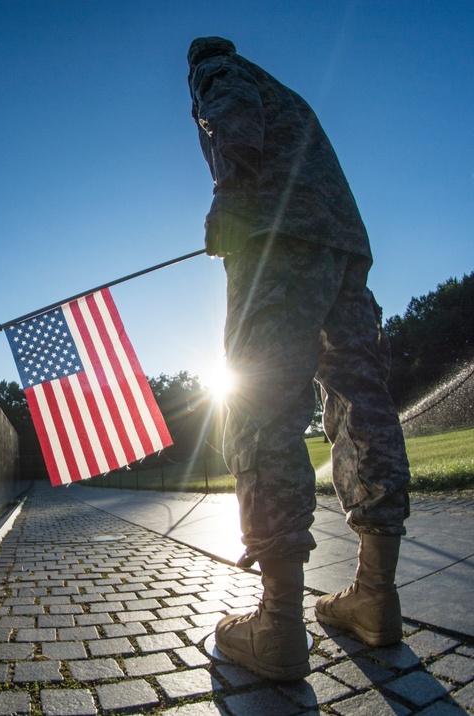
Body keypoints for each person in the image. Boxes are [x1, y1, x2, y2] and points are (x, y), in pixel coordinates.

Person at [187, 37, 411, 680]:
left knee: (260, 409)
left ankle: (280, 623)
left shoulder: (217, 68)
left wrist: (230, 197)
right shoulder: (292, 96)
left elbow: (228, 110)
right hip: (342, 249)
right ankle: (376, 594)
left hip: (276, 242)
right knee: (361, 403)